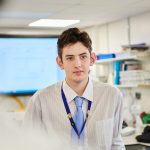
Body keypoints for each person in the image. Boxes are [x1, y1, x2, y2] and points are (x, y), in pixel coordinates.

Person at [24, 27, 125, 150]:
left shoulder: (112, 96)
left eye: (83, 57)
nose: (77, 64)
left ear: (92, 59)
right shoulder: (40, 100)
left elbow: (116, 143)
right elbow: (28, 145)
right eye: (70, 58)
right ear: (60, 62)